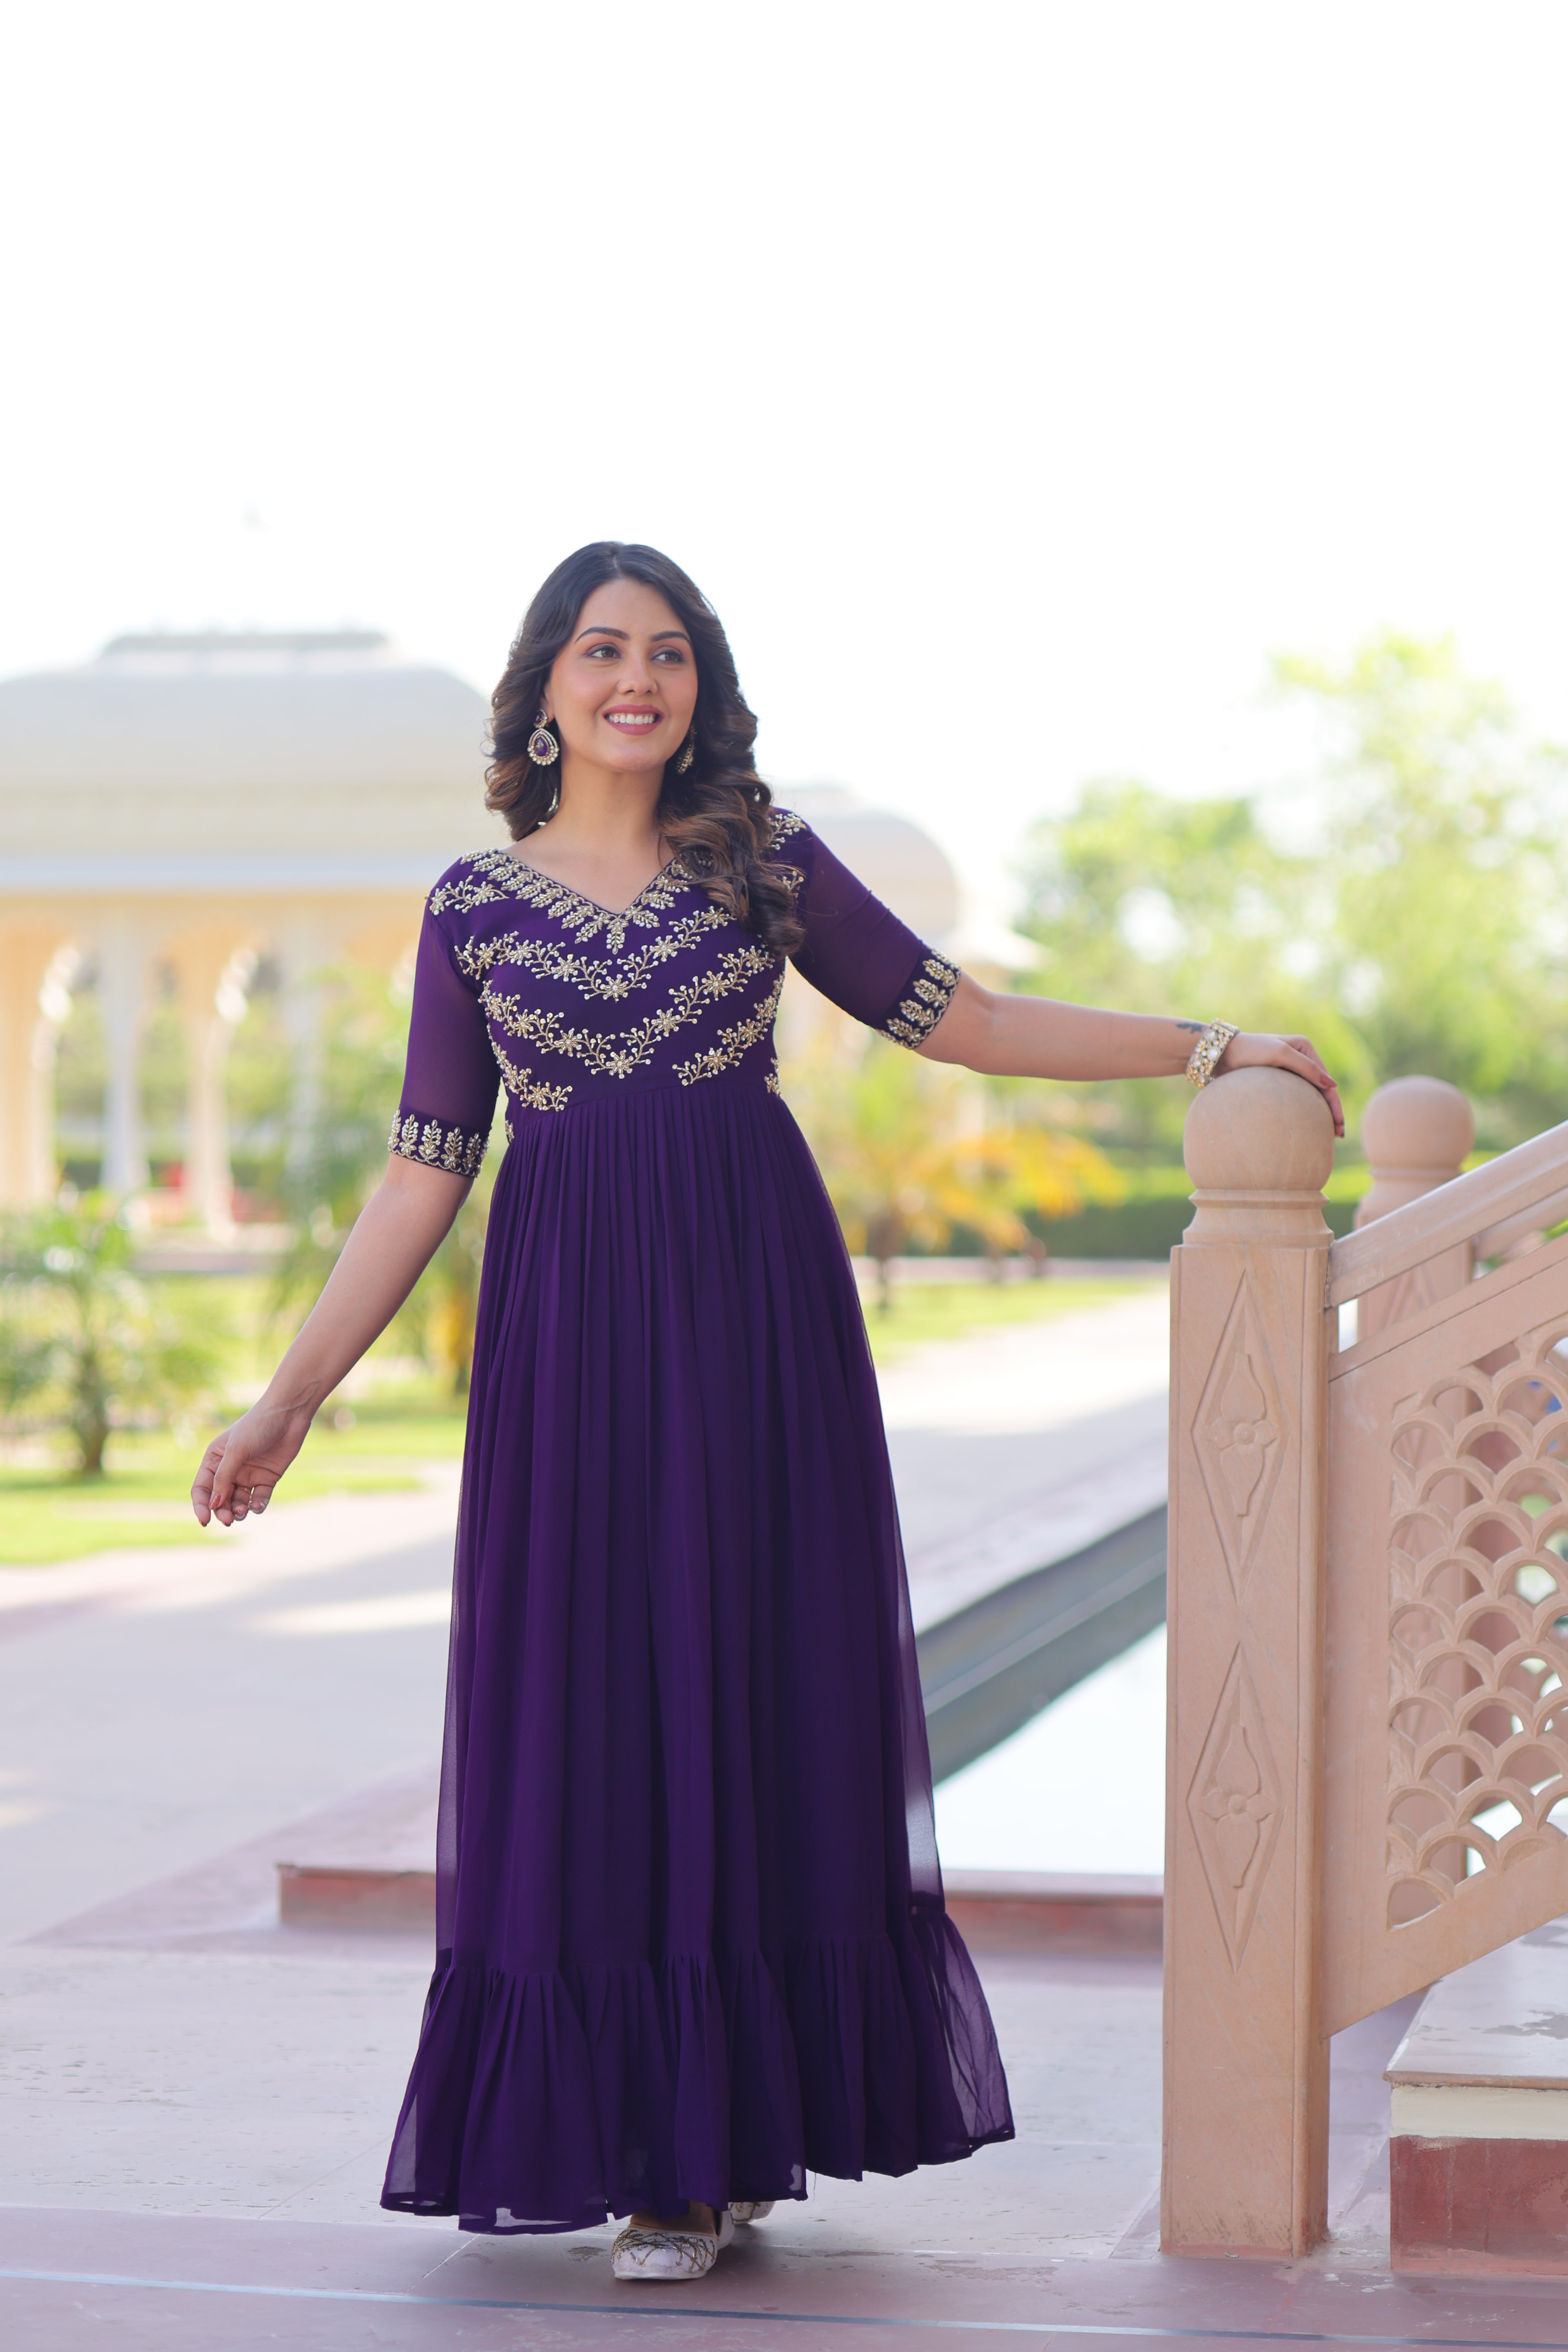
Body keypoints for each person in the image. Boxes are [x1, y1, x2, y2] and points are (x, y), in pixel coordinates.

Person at [191, 543, 1343, 2284]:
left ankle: (713, 2151)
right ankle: (646, 2136)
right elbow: (424, 1172)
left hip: (754, 1330)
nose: (636, 679)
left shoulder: (763, 860)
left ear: (700, 688)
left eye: (668, 652)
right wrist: (289, 1400)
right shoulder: (472, 908)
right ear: (547, 687)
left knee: (748, 1685)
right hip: (571, 1353)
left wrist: (1209, 1046)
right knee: (594, 1701)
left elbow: (965, 1019)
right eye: (604, 650)